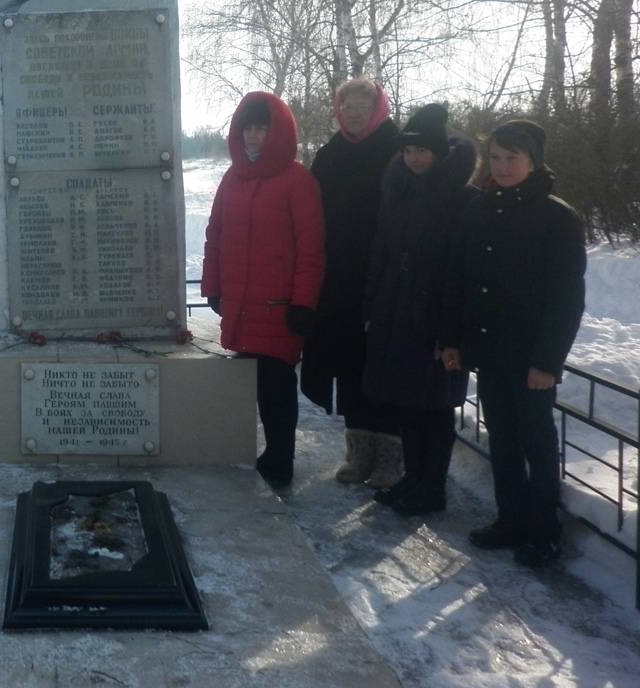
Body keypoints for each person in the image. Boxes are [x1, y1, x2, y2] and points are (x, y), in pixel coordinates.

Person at [440, 120, 585, 568]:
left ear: (533, 161)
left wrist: (547, 361)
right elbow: (458, 281)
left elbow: (566, 299)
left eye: (513, 158)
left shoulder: (557, 217)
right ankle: (510, 520)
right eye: (496, 157)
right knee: (501, 438)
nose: (502, 167)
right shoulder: (480, 209)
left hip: (530, 359)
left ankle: (544, 531)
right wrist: (452, 341)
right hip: (489, 351)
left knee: (536, 444)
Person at [201, 92, 325, 489]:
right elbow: (215, 235)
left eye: (261, 128)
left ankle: (280, 458)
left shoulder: (297, 180)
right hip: (241, 304)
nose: (254, 136)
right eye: (248, 128)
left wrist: (304, 301)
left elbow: (311, 247)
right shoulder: (232, 178)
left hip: (279, 308)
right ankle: (267, 454)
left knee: (277, 387)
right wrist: (214, 287)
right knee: (252, 385)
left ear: (278, 132)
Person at [363, 104, 476, 516]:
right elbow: (381, 250)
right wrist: (373, 303)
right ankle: (413, 478)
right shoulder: (399, 190)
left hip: (437, 313)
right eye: (408, 152)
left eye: (422, 151)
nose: (414, 159)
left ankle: (433, 486)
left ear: (440, 153)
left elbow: (462, 269)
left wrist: (451, 331)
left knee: (436, 407)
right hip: (397, 308)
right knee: (407, 403)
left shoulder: (462, 199)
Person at [300, 78, 403, 487]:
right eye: (347, 106)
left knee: (386, 366)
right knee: (350, 367)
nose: (354, 113)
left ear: (378, 109)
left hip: (387, 276)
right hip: (339, 280)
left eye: (362, 105)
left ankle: (390, 457)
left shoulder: (398, 150)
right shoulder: (329, 156)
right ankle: (359, 453)